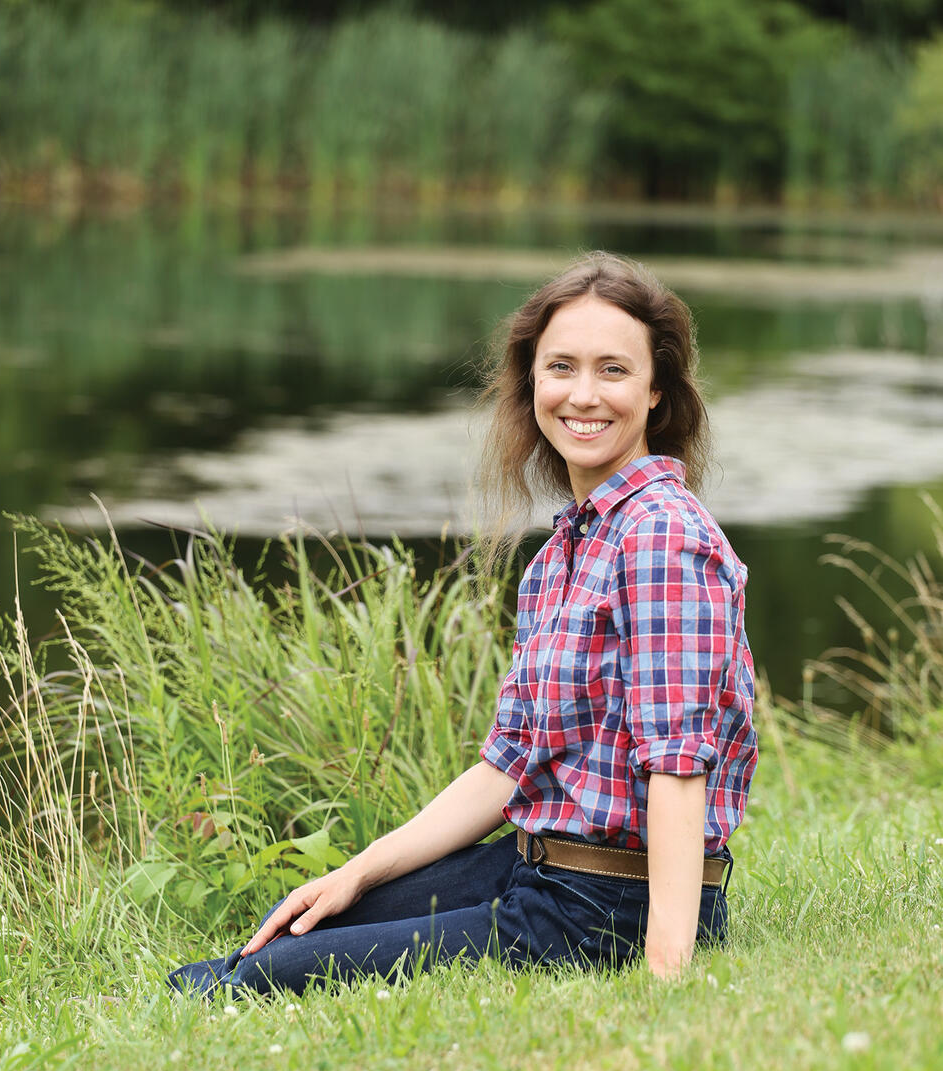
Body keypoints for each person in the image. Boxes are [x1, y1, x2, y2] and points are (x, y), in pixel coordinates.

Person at [168, 252, 757, 998]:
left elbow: (675, 764)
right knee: (296, 930)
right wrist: (355, 873)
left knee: (270, 979)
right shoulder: (567, 552)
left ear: (656, 392)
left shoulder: (663, 538)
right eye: (561, 368)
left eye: (613, 370)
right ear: (532, 384)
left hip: (611, 904)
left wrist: (666, 971)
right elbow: (508, 765)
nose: (583, 395)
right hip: (538, 865)